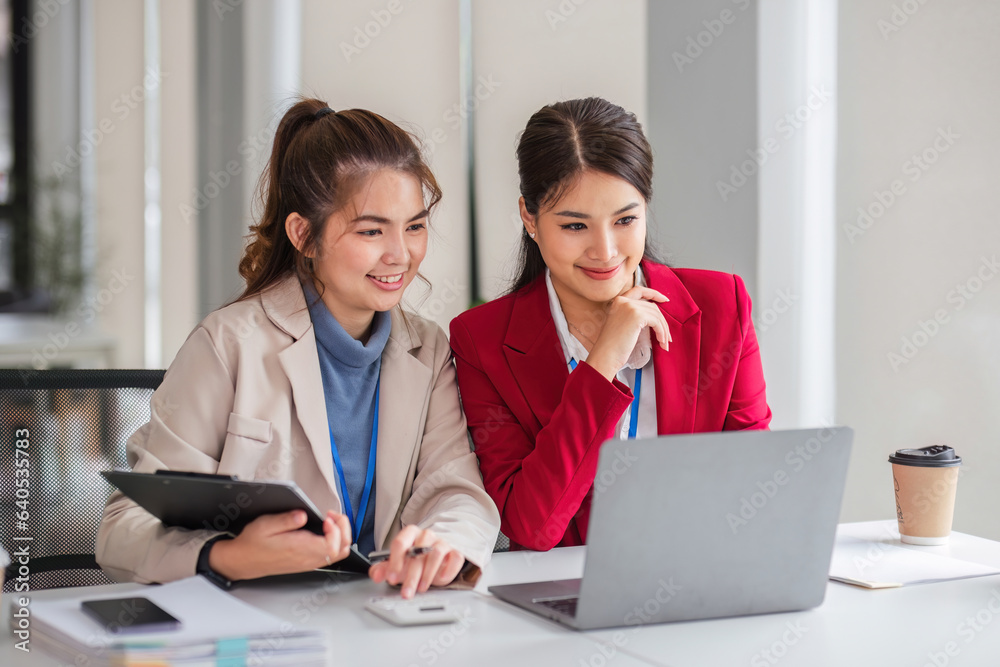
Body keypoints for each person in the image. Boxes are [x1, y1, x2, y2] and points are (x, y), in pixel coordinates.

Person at [97, 99, 499, 598]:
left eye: (414, 226)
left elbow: (456, 489)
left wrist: (445, 542)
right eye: (372, 230)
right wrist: (228, 556)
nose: (401, 253)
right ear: (304, 235)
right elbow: (121, 529)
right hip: (256, 625)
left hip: (384, 615)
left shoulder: (428, 348)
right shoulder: (228, 344)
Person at [450, 97, 771, 552]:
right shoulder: (480, 340)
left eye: (625, 220)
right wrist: (601, 365)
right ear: (529, 217)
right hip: (561, 595)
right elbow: (532, 527)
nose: (605, 251)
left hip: (699, 580)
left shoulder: (721, 305)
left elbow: (753, 487)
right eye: (575, 226)